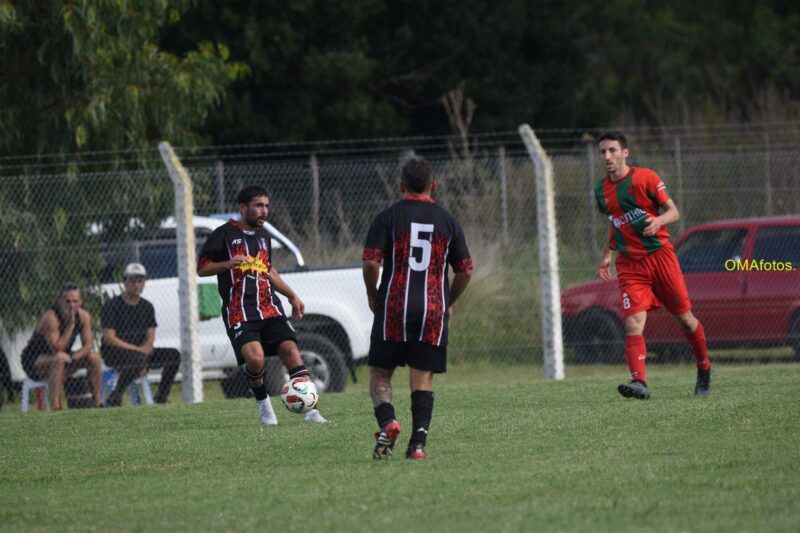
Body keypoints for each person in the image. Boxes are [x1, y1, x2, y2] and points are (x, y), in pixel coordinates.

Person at [362, 155, 473, 460]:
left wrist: (372, 293)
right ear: (433, 186)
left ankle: (388, 422)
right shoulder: (448, 221)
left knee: (380, 373)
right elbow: (465, 270)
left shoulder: (388, 217)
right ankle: (418, 445)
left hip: (394, 307)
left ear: (401, 186)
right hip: (432, 310)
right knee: (422, 378)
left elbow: (371, 262)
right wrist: (447, 302)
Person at [594, 131, 711, 399]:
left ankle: (704, 367)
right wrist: (607, 254)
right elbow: (615, 221)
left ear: (625, 153)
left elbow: (673, 212)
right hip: (630, 264)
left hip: (660, 258)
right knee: (633, 323)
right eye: (602, 152)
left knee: (685, 319)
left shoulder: (645, 178)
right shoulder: (601, 190)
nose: (607, 156)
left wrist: (658, 221)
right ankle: (639, 382)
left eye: (612, 150)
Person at [197, 185, 327, 425]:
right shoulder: (223, 234)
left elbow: (269, 270)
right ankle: (263, 404)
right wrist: (228, 263)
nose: (264, 211)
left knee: (291, 351)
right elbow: (202, 268)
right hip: (239, 311)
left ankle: (311, 411)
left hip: (269, 307)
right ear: (243, 207)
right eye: (258, 205)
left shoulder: (264, 236)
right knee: (255, 359)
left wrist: (292, 296)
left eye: (266, 206)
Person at [101, 263, 181, 406]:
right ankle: (116, 397)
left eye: (140, 281)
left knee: (173, 355)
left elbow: (151, 334)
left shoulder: (147, 307)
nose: (136, 285)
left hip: (141, 353)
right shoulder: (112, 305)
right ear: (125, 282)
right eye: (132, 281)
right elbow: (109, 338)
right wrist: (139, 351)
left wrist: (146, 349)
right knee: (137, 360)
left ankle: (161, 397)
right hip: (116, 353)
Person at [20, 283, 103, 408]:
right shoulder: (50, 318)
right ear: (59, 301)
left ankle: (97, 403)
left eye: (75, 301)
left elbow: (88, 345)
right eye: (67, 301)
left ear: (81, 302)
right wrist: (70, 325)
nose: (71, 306)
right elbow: (56, 349)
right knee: (59, 359)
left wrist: (74, 357)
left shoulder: (84, 316)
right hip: (35, 361)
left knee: (94, 358)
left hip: (64, 356)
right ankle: (56, 407)